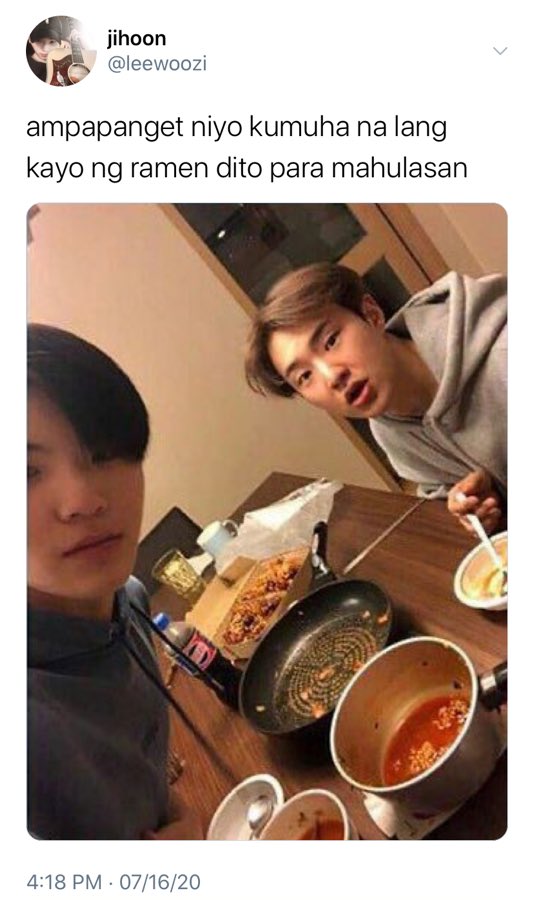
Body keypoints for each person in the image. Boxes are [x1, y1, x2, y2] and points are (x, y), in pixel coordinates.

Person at [28, 324, 202, 839]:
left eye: (101, 452)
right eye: (23, 474)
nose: (83, 500)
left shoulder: (128, 602)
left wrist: (176, 816)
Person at [244, 263, 507, 534]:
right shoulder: (389, 430)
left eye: (331, 341)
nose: (332, 376)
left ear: (371, 315)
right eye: (305, 376)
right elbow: (446, 492)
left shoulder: (505, 353)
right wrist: (480, 507)